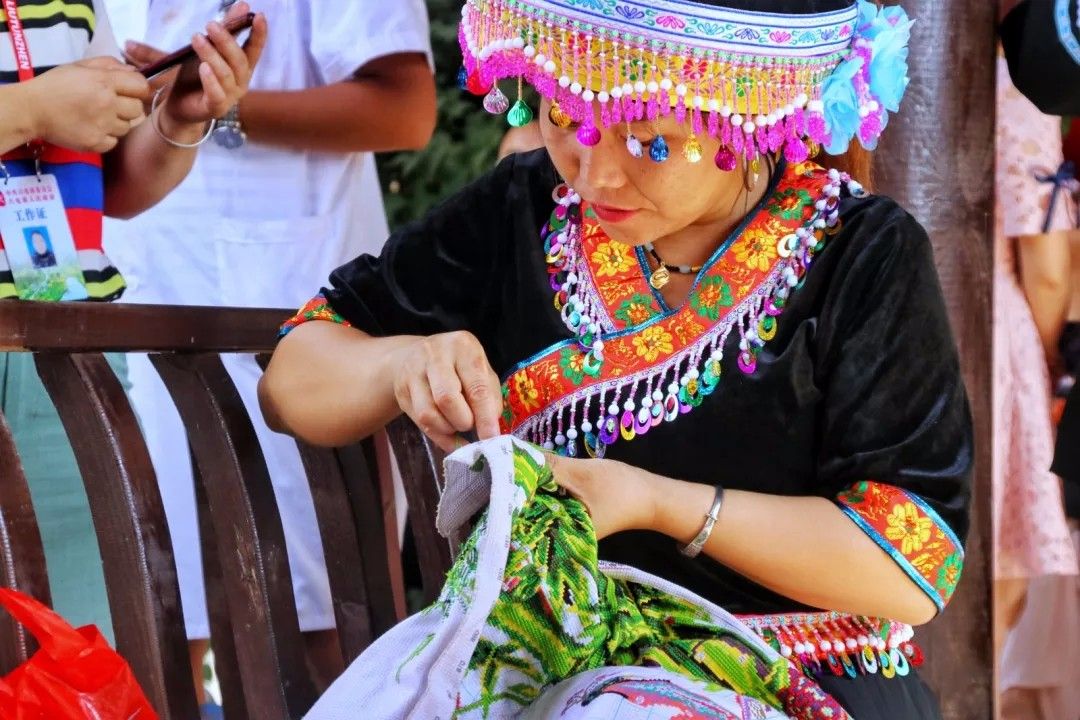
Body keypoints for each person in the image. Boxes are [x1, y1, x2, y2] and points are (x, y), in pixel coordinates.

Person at [262, 0, 972, 717]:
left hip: (786, 678)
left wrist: (656, 503)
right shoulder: (524, 209)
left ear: (749, 116)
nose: (595, 176)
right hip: (543, 666)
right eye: (566, 120)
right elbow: (293, 380)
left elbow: (910, 564)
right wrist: (400, 364)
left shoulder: (861, 253)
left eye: (649, 142)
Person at [111, 0, 436, 713]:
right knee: (157, 616)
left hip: (288, 315)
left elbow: (405, 110)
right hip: (134, 299)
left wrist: (218, 106)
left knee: (325, 622)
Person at [0, 0, 265, 646]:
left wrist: (179, 116)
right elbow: (43, 113)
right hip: (60, 353)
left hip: (66, 358)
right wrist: (30, 110)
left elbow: (113, 187)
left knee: (80, 658)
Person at [992, 45, 1080, 720]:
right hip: (996, 329)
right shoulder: (1021, 86)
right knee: (1002, 576)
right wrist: (1056, 360)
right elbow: (1046, 268)